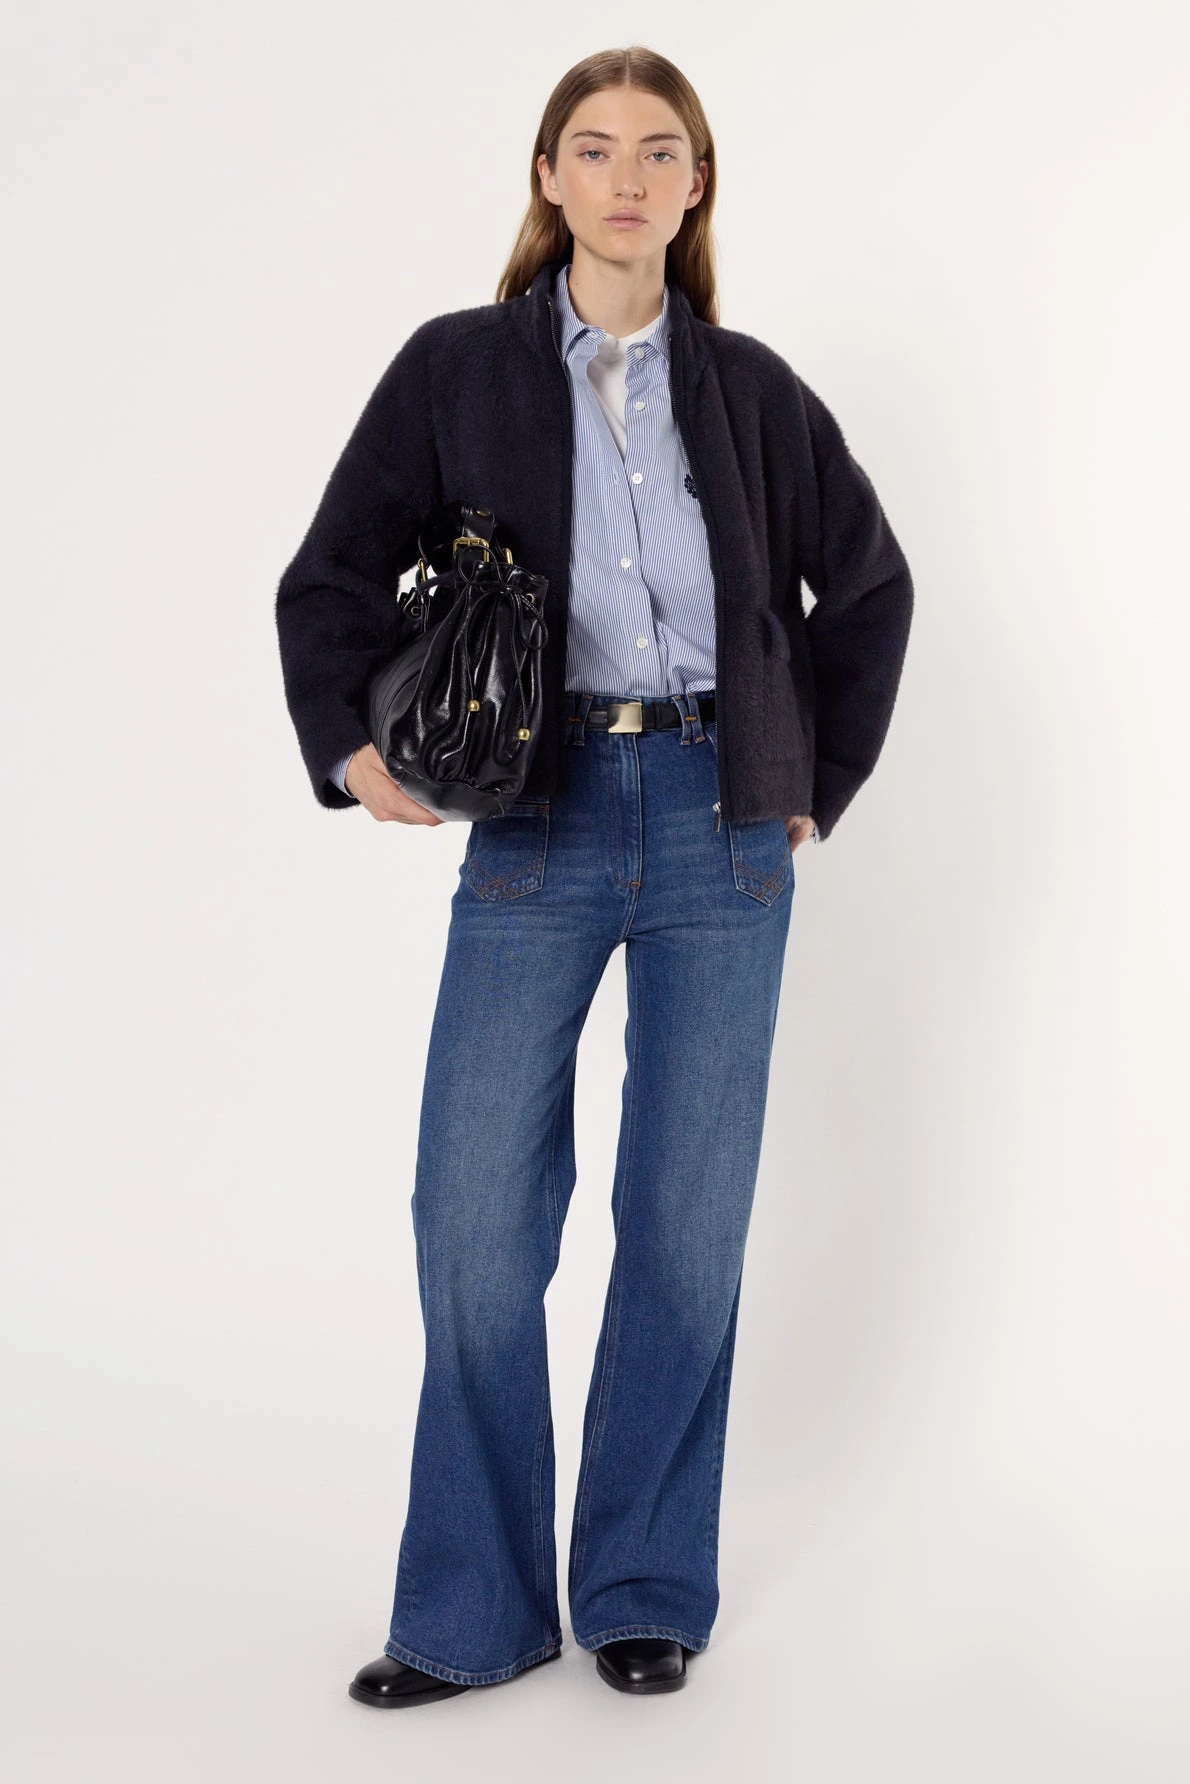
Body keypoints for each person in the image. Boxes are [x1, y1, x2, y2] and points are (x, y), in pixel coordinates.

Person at [275, 46, 913, 1707]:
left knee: (685, 1225)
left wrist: (811, 782)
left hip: (721, 820)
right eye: (593, 147)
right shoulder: (457, 369)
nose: (626, 178)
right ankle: (472, 1611)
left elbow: (867, 587)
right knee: (472, 1220)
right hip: (538, 817)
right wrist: (350, 750)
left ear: (696, 184)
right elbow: (329, 576)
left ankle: (640, 1585)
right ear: (547, 178)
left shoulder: (751, 389)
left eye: (658, 150)